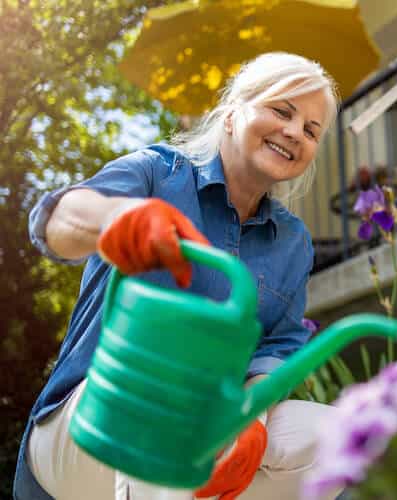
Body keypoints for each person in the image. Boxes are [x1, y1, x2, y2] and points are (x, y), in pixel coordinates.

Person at [13, 52, 342, 500]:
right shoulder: (155, 173)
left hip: (197, 432)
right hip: (80, 432)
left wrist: (253, 419)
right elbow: (59, 220)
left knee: (344, 437)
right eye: (281, 111)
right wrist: (118, 217)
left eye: (310, 130)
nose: (293, 133)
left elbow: (276, 347)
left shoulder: (292, 243)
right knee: (172, 409)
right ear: (231, 114)